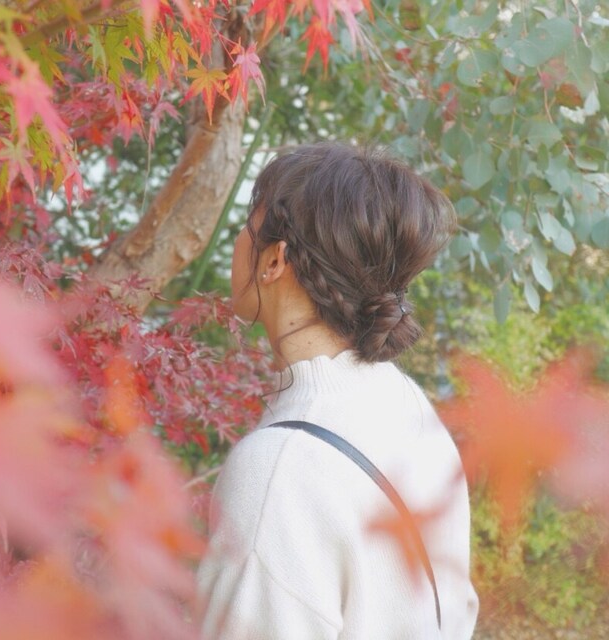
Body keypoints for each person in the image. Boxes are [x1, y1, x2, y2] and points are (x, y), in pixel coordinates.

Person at [196, 143, 479, 639]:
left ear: (275, 260)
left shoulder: (278, 470)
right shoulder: (402, 401)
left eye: (247, 225)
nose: (239, 240)